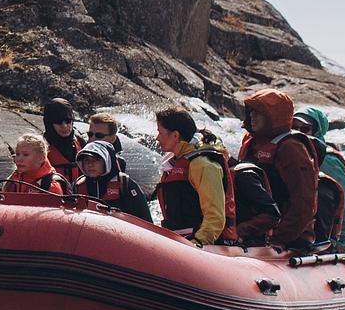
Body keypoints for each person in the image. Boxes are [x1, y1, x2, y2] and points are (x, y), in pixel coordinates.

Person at [235, 90, 326, 252]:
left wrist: (278, 238)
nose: (253, 116)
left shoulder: (291, 147)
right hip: (254, 229)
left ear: (273, 116)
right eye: (252, 112)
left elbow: (303, 201)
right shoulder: (251, 142)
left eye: (259, 113)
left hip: (287, 237)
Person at [152, 105, 237, 247]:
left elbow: (215, 216)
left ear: (175, 135)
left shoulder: (202, 165)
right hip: (181, 242)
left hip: (200, 245)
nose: (157, 137)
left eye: (160, 132)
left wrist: (198, 242)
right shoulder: (174, 163)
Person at [294, 106, 345, 247]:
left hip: (323, 233)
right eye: (293, 127)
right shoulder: (288, 152)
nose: (298, 133)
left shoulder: (328, 160)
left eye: (304, 129)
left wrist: (342, 241)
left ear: (317, 131)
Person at [74, 140, 152, 220]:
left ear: (107, 161)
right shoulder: (78, 185)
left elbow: (145, 219)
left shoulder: (125, 184)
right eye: (87, 160)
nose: (90, 164)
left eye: (96, 159)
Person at [5, 134, 70, 196]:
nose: (19, 159)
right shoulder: (14, 178)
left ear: (41, 158)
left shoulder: (50, 185)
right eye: (18, 154)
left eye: (25, 155)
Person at [42, 98, 83, 186]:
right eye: (58, 122)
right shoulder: (40, 146)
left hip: (80, 196)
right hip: (53, 195)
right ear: (49, 123)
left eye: (68, 121)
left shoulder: (80, 142)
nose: (64, 126)